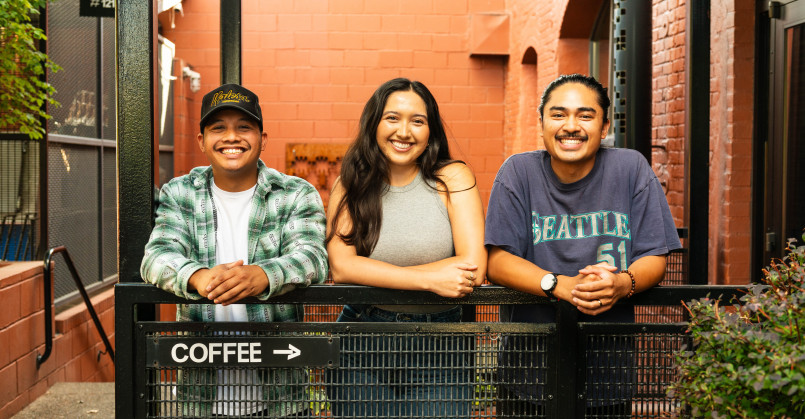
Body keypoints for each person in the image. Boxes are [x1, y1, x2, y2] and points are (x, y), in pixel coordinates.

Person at [484, 74, 682, 416]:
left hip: (608, 369)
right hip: (528, 370)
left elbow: (654, 254)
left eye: (585, 116)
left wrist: (623, 283)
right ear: (542, 122)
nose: (570, 126)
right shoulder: (518, 172)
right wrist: (559, 285)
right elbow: (497, 261)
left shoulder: (630, 168)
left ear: (604, 127)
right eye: (558, 114)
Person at [141, 83, 328, 417]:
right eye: (218, 128)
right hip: (201, 396)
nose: (231, 137)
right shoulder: (181, 192)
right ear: (201, 140)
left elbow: (312, 257)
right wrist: (197, 277)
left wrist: (263, 276)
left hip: (282, 396)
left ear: (262, 138)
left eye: (244, 127)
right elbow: (157, 256)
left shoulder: (295, 193)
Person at [325, 78, 487, 417]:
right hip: (362, 338)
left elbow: (473, 266)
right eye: (392, 118)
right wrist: (429, 280)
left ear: (431, 131)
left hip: (441, 343)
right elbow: (342, 267)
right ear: (374, 124)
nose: (405, 131)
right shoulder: (349, 184)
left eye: (418, 121)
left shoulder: (453, 178)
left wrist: (378, 273)